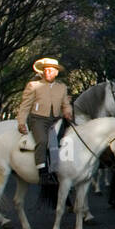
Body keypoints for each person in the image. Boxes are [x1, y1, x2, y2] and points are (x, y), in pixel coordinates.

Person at [16, 57, 73, 185]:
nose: (48, 73)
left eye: (51, 71)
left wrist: (68, 111)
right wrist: (21, 122)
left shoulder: (62, 87)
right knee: (42, 140)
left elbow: (65, 103)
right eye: (46, 70)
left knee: (68, 140)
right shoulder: (33, 85)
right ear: (42, 72)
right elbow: (25, 105)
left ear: (56, 72)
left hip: (56, 119)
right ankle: (43, 171)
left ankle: (66, 169)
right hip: (38, 119)